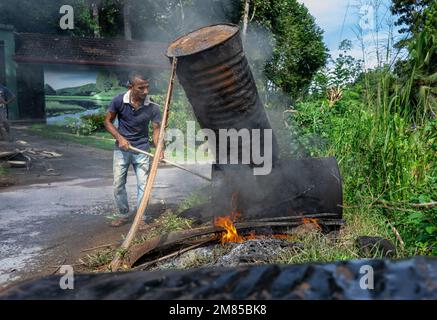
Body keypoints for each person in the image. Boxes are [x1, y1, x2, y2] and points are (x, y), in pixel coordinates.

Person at [104, 72, 163, 227]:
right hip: (122, 150)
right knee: (118, 184)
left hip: (142, 150)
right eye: (141, 88)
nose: (146, 91)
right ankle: (123, 214)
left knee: (144, 185)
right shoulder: (118, 100)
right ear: (131, 87)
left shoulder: (153, 106)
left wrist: (159, 148)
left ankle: (141, 218)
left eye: (147, 87)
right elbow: (107, 122)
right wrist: (120, 138)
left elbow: (156, 130)